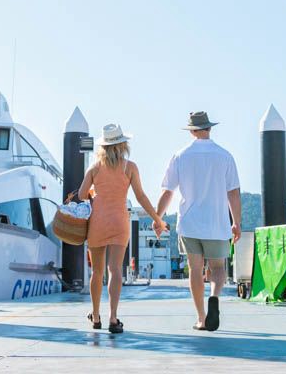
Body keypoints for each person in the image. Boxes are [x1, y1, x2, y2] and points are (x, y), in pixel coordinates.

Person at [155, 111, 241, 332]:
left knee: (195, 269)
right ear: (209, 128)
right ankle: (214, 296)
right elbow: (233, 192)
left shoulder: (180, 156)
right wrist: (237, 222)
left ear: (192, 131)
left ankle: (202, 318)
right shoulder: (225, 156)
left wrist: (158, 218)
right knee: (217, 267)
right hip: (217, 223)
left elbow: (167, 192)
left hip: (190, 223)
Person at [78, 123, 164, 334]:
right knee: (115, 270)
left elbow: (81, 195)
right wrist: (157, 219)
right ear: (123, 144)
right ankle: (113, 318)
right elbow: (141, 197)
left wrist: (93, 193)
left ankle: (96, 316)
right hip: (119, 222)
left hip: (97, 222)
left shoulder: (95, 167)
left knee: (96, 271)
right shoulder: (130, 167)